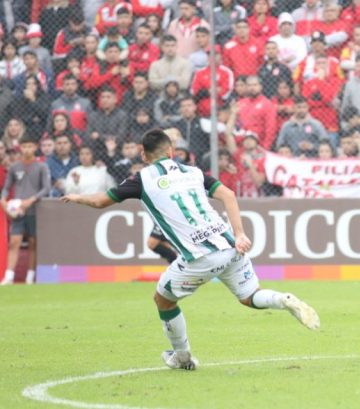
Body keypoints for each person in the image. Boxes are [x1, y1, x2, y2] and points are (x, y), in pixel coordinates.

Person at [61, 129, 320, 370]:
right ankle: (283, 300)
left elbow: (101, 202)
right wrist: (239, 234)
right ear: (171, 151)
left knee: (163, 299)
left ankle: (182, 355)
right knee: (250, 296)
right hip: (229, 244)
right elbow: (228, 194)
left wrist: (77, 197)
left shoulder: (141, 179)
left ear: (143, 155)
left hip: (200, 257)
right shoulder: (193, 172)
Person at [0, 137, 51, 285]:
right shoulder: (15, 167)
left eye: (30, 146)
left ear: (35, 147)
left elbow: (46, 188)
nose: (27, 149)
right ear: (20, 148)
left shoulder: (41, 166)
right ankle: (9, 276)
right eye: (24, 146)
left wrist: (31, 200)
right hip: (18, 210)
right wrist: (3, 200)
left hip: (34, 210)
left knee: (33, 242)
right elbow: (7, 188)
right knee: (14, 241)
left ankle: (30, 276)